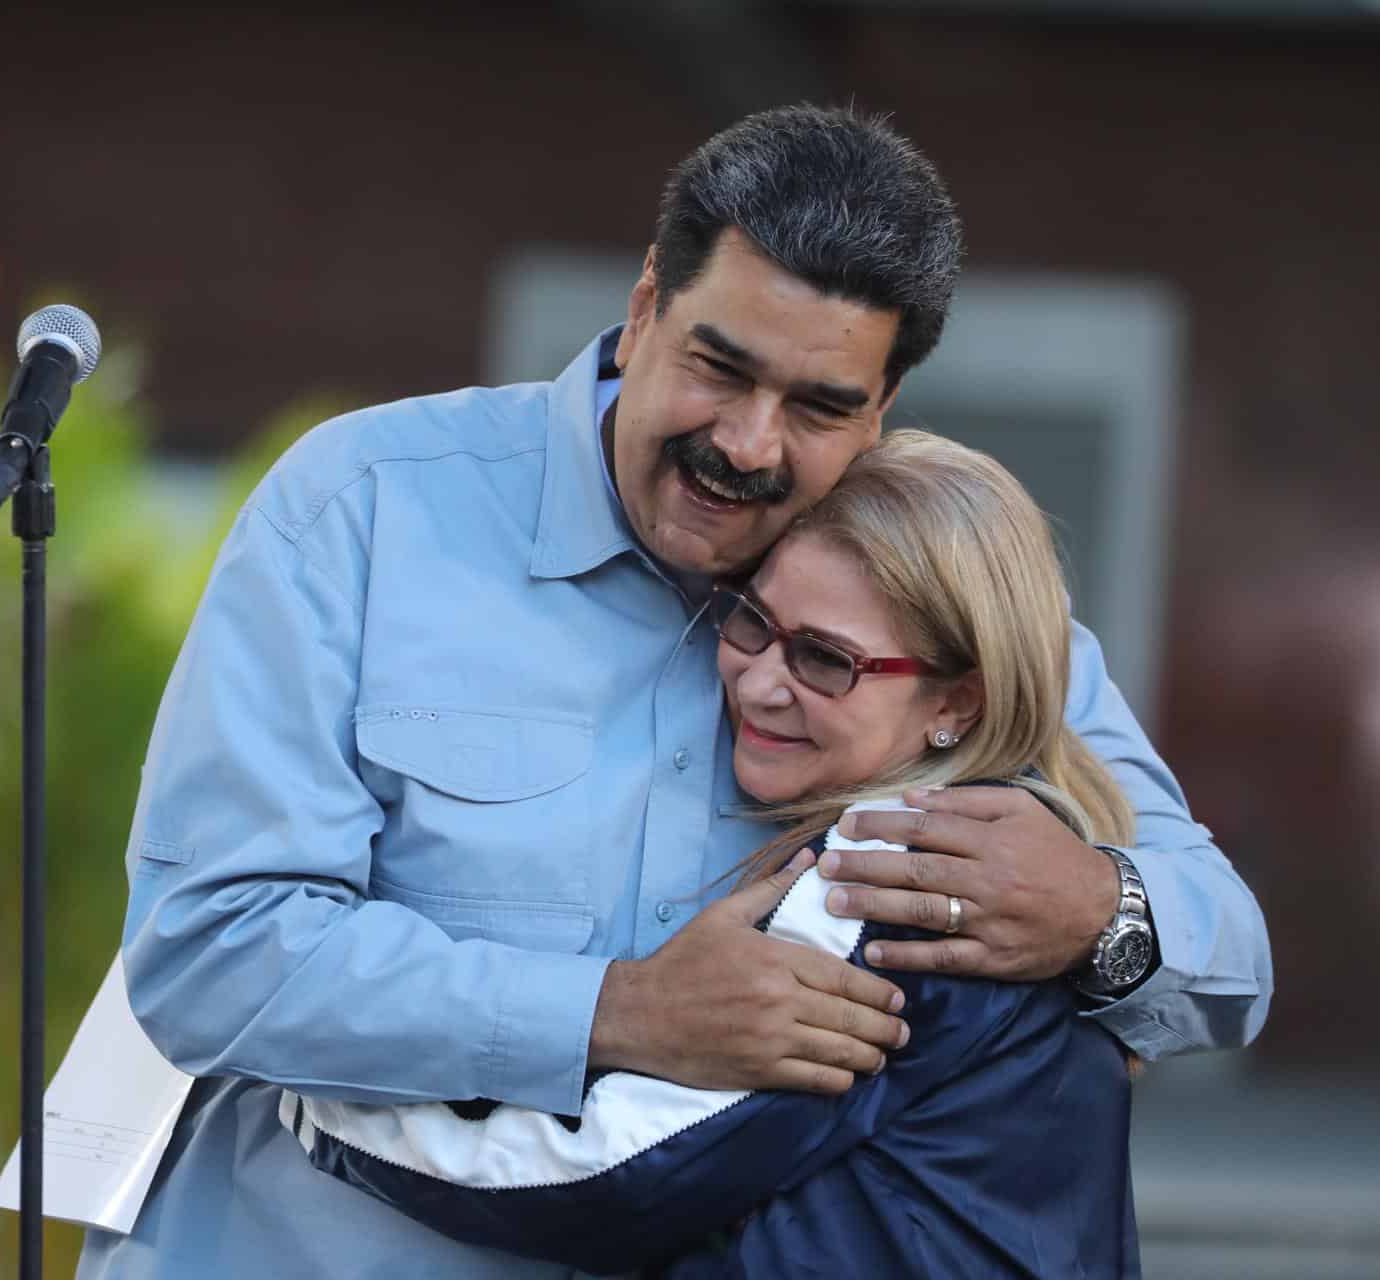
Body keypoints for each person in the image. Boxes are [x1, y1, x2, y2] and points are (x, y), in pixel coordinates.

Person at [81, 105, 1269, 1278]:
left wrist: (1097, 914)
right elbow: (208, 951)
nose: (749, 444)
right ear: (647, 305)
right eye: (720, 367)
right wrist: (615, 1010)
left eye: (818, 407)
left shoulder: (948, 618)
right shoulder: (365, 507)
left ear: (883, 406)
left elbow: (1229, 954)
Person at [289, 429, 1141, 1277]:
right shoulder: (1026, 845)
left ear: (955, 701)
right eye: (752, 621)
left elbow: (607, 1177)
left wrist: (322, 1113)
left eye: (825, 660)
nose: (761, 680)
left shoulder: (900, 872)